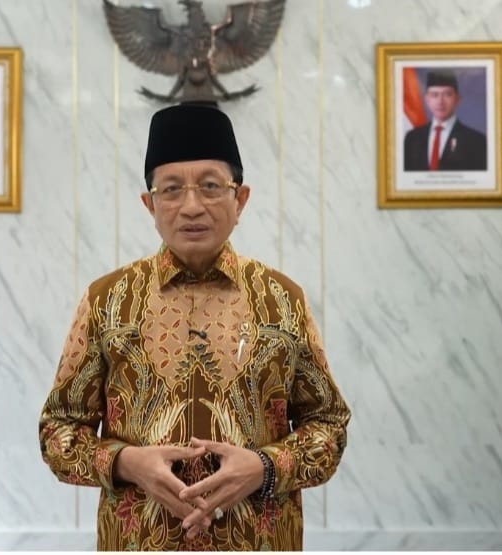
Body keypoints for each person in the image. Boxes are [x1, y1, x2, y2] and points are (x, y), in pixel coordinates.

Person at [39, 102, 351, 551]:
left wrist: (265, 467)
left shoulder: (282, 300)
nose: (191, 206)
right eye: (171, 189)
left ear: (240, 199)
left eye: (210, 186)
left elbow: (329, 425)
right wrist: (126, 463)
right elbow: (58, 431)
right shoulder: (107, 301)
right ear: (149, 204)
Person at [403, 69, 487, 171]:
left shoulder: (477, 141)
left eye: (447, 94)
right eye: (434, 95)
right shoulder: (412, 138)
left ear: (457, 99)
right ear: (427, 100)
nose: (440, 102)